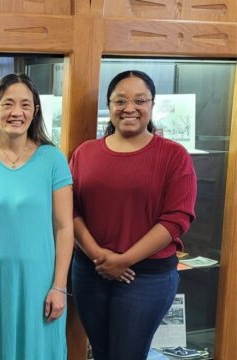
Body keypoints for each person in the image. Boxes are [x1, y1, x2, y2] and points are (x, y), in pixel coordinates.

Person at [69, 70, 197, 360]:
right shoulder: (85, 153)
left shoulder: (174, 155)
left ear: (152, 105)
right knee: (101, 352)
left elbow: (177, 218)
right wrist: (99, 256)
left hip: (147, 276)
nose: (129, 108)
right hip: (91, 270)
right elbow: (71, 208)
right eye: (120, 100)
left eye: (139, 100)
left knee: (128, 354)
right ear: (109, 105)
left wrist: (123, 260)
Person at [0, 73, 74, 360]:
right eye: (8, 104)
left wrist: (59, 286)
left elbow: (65, 228)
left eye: (26, 105)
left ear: (35, 111)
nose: (17, 112)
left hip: (40, 283)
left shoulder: (52, 159)